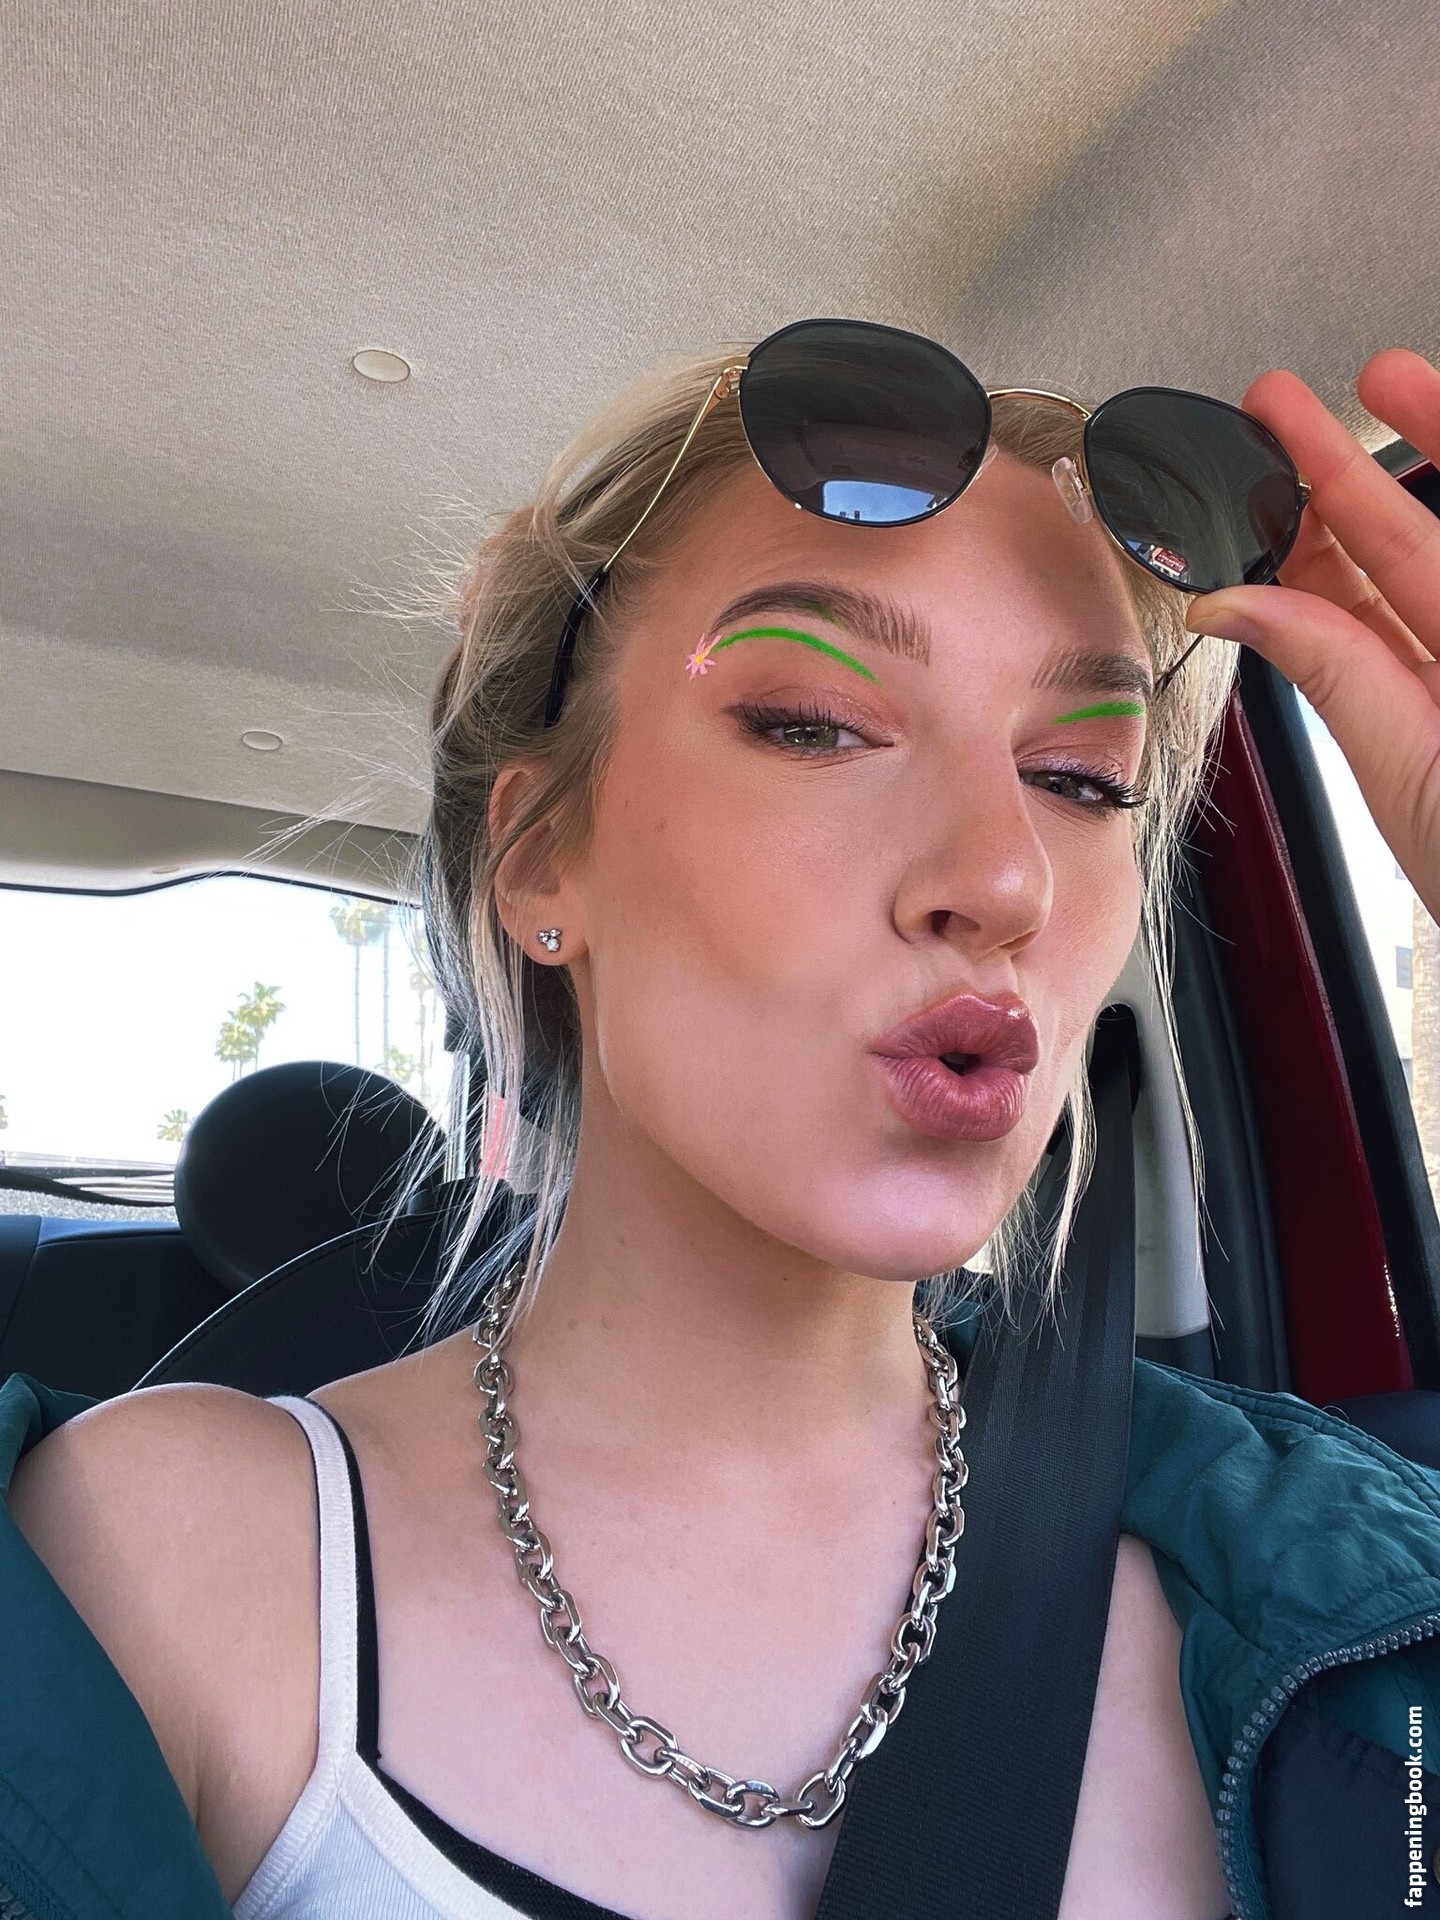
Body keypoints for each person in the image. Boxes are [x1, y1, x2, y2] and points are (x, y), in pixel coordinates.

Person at [4, 323, 1440, 1920]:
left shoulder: (1347, 1592)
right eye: (812, 723)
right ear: (542, 860)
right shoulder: (155, 1564)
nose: (1004, 876)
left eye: (1085, 778)